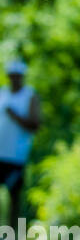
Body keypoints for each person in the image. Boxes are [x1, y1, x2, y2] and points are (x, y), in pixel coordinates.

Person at [0, 59, 40, 224]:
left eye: (18, 76)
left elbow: (35, 125)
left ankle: (11, 236)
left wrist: (14, 115)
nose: (15, 79)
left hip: (16, 156)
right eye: (12, 76)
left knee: (14, 197)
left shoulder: (30, 96)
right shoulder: (2, 93)